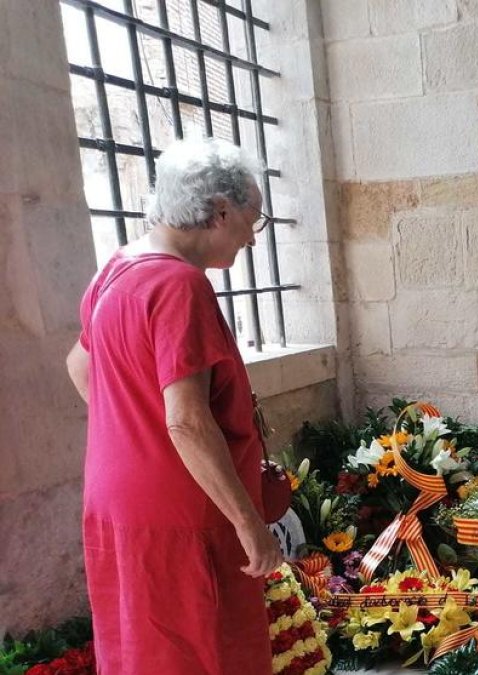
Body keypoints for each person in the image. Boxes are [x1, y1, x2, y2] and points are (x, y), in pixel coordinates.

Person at [65, 137, 282, 674]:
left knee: (143, 651)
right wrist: (249, 524)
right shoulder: (179, 285)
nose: (252, 240)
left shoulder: (117, 268)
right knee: (205, 652)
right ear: (220, 211)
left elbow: (79, 365)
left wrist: (134, 433)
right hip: (183, 516)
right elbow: (186, 420)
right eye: (251, 223)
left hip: (117, 504)